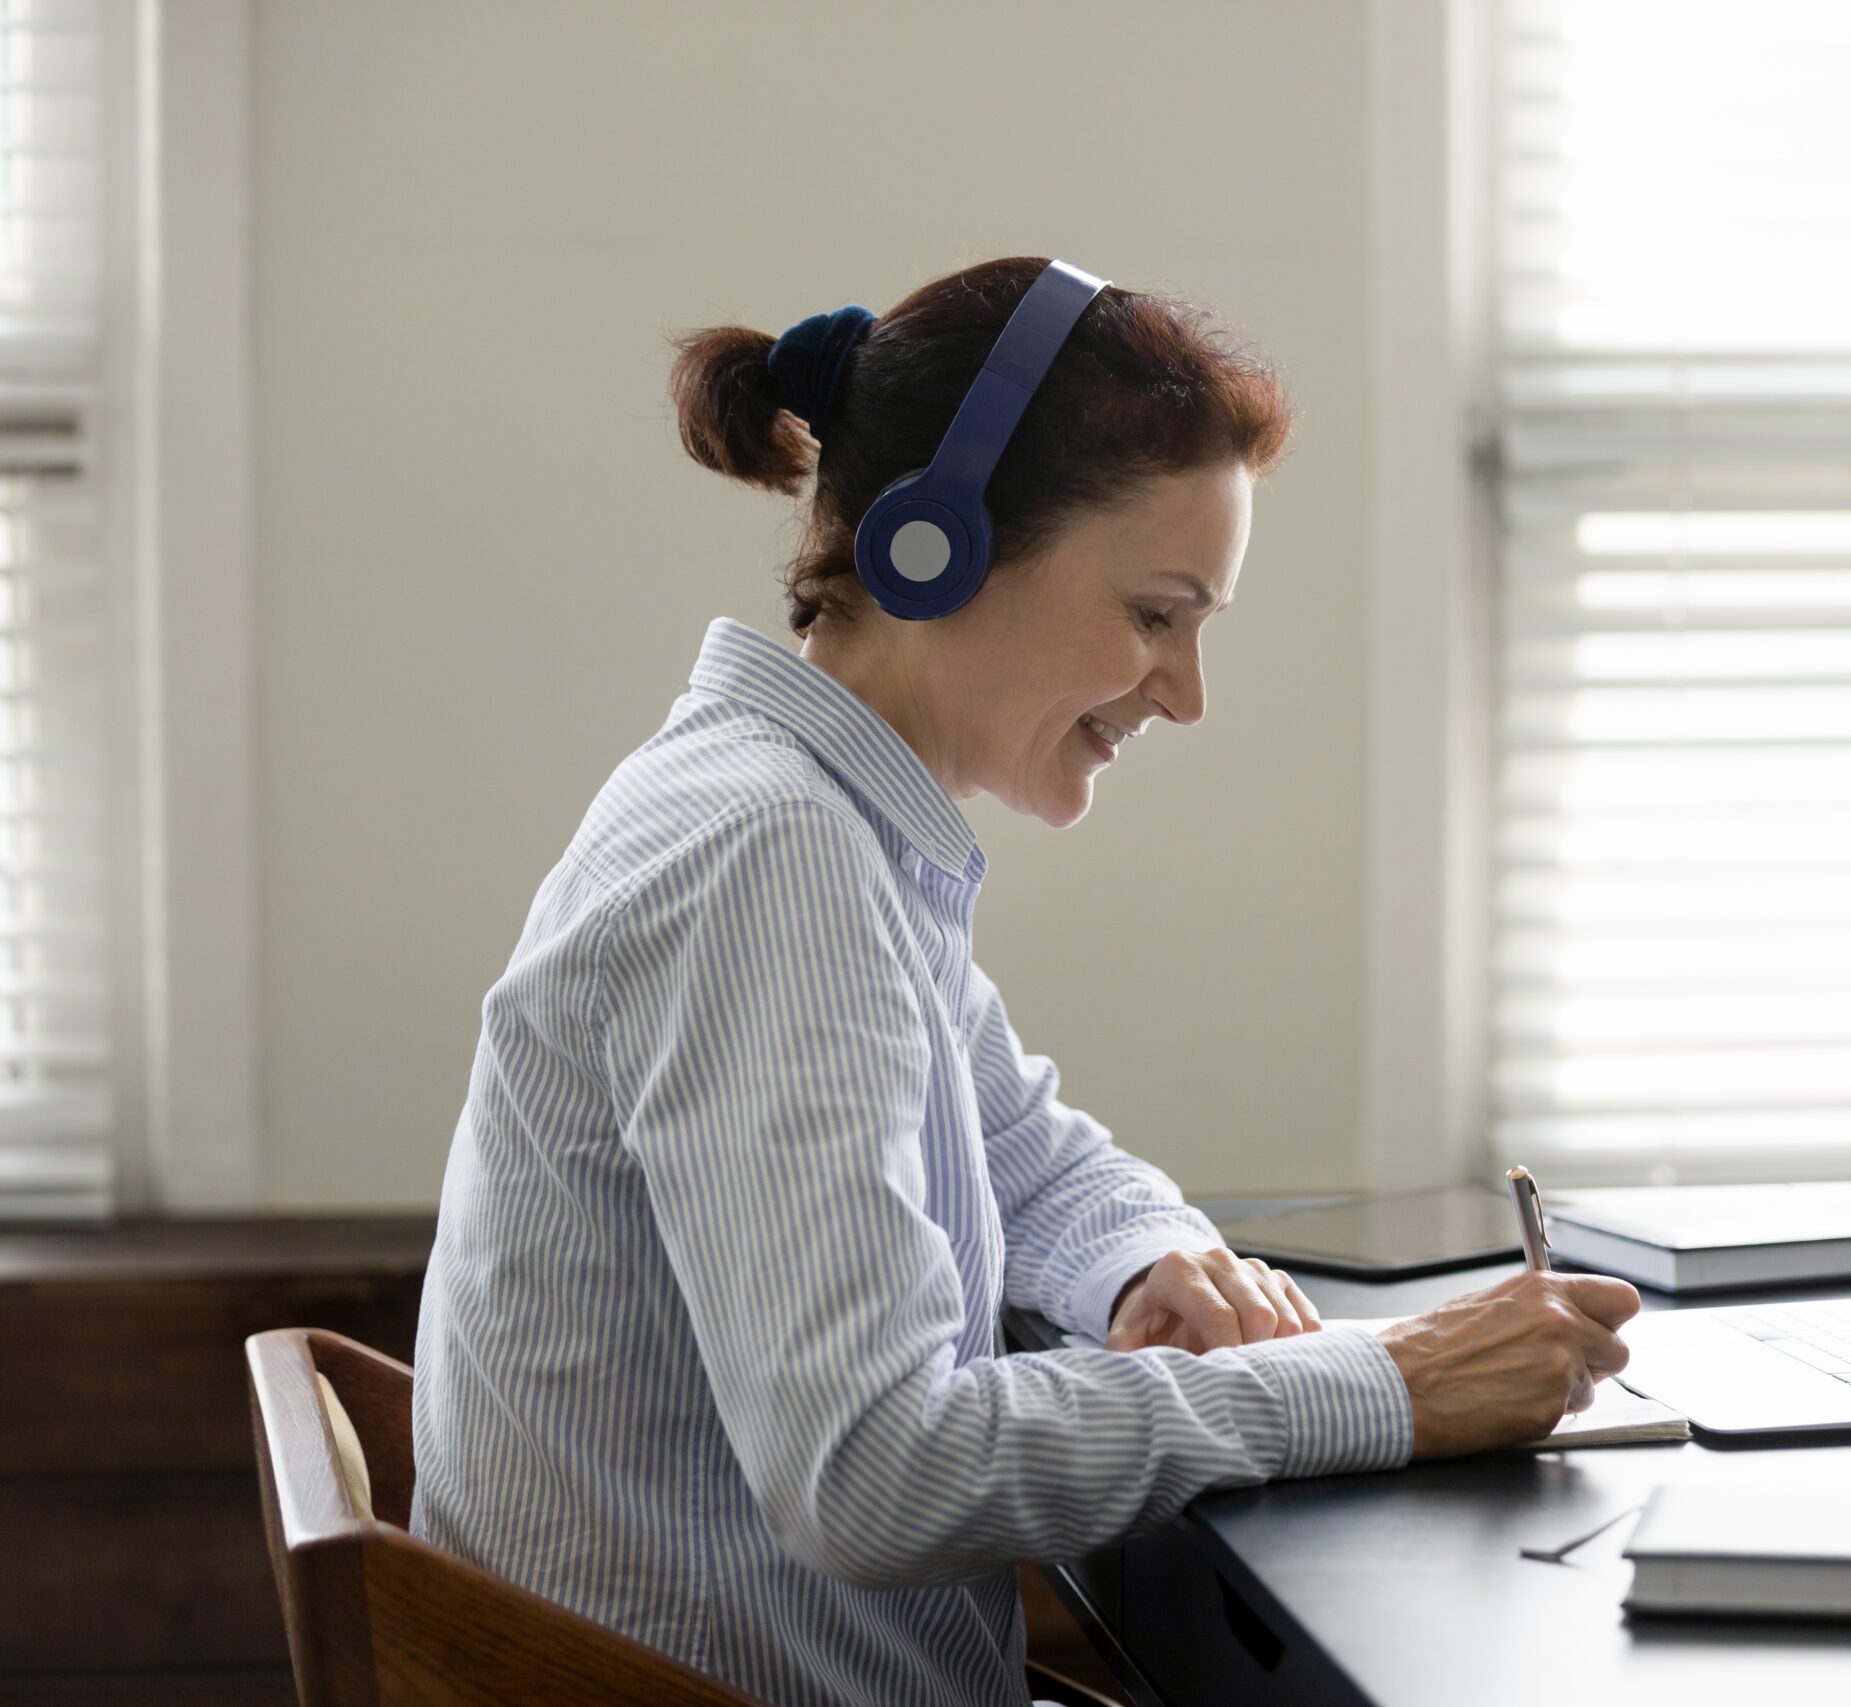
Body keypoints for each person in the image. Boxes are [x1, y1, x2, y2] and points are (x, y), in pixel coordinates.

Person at [409, 256, 1639, 1707]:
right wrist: (1391, 1384)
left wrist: (1150, 1260)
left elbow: (1021, 1148)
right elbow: (873, 1473)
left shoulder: (819, 819)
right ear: (935, 550)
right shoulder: (767, 856)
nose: (1186, 694)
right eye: (1157, 615)